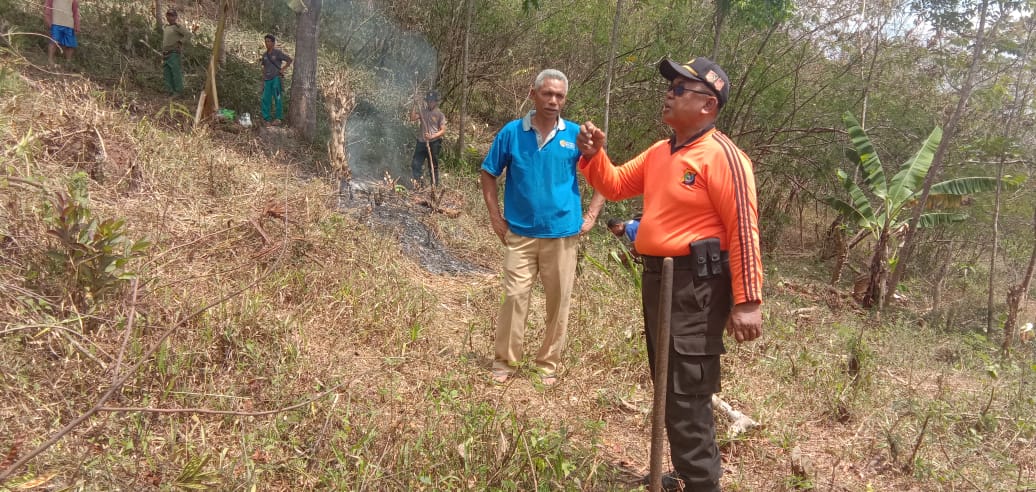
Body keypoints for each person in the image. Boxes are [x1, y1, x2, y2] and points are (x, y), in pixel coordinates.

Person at [577, 56, 763, 491]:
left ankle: (701, 483)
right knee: (667, 384)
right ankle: (683, 474)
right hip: (659, 279)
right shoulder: (664, 152)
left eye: (680, 88)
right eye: (670, 86)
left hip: (697, 287)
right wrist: (594, 155)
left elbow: (744, 229)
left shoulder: (724, 158)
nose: (669, 93)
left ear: (707, 104)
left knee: (686, 392)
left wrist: (748, 300)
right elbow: (617, 185)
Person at [480, 69, 606, 386]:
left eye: (559, 96)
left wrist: (591, 215)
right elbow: (488, 173)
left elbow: (605, 177)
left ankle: (546, 365)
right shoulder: (511, 133)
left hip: (563, 235)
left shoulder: (576, 136)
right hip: (520, 234)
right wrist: (496, 218)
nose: (553, 101)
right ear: (533, 93)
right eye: (547, 94)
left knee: (558, 301)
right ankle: (505, 361)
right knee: (514, 297)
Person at [410, 91, 446, 186]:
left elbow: (443, 131)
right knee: (415, 164)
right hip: (421, 142)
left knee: (433, 166)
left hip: (434, 143)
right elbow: (412, 118)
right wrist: (414, 104)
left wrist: (432, 136)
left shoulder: (440, 115)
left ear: (435, 102)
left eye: (432, 101)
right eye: (429, 101)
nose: (430, 102)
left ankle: (434, 187)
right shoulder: (422, 112)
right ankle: (417, 185)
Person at [260, 34, 293, 126]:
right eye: (266, 41)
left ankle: (278, 118)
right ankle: (266, 119)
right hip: (267, 80)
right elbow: (264, 67)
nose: (267, 43)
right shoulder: (264, 55)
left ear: (273, 43)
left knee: (277, 98)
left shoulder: (277, 53)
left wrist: (282, 69)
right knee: (265, 99)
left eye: (269, 41)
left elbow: (289, 60)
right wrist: (263, 79)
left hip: (276, 79)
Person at [161, 9, 193, 97]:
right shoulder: (166, 27)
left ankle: (178, 91)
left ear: (175, 17)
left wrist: (180, 42)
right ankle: (169, 90)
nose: (170, 17)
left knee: (175, 72)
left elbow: (188, 34)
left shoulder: (177, 27)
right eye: (168, 15)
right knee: (167, 72)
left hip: (174, 53)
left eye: (172, 16)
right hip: (165, 53)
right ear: (166, 16)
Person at [44, 0, 79, 67]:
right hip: (56, 22)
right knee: (53, 42)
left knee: (70, 44)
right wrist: (48, 20)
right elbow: (47, 6)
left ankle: (68, 62)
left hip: (69, 24)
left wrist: (76, 25)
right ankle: (50, 60)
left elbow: (75, 12)